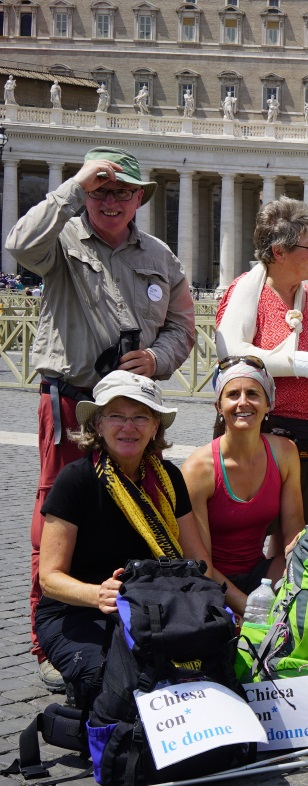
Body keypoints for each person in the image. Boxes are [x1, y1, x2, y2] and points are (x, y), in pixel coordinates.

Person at [7, 146, 195, 691]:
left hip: (135, 407)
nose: (111, 200)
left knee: (140, 506)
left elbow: (182, 327)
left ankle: (133, 612)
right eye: (100, 189)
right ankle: (51, 637)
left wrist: (157, 359)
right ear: (86, 192)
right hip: (73, 398)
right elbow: (18, 245)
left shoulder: (160, 255)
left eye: (122, 191)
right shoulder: (59, 241)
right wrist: (70, 187)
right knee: (55, 514)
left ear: (140, 197)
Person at [34, 371, 207, 698]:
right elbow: (50, 579)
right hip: (77, 612)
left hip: (152, 607)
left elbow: (197, 559)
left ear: (155, 426)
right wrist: (98, 594)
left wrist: (226, 605)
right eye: (116, 416)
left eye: (141, 416)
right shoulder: (76, 481)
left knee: (198, 669)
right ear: (98, 424)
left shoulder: (168, 478)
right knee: (117, 681)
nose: (129, 427)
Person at [216, 197, 308, 520]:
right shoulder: (247, 291)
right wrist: (303, 364)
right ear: (280, 252)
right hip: (265, 437)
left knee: (301, 534)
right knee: (255, 528)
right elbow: (231, 354)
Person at [182, 359, 304, 616]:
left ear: (268, 404)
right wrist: (250, 607)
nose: (243, 402)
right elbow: (200, 565)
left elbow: (294, 536)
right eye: (233, 394)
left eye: (252, 394)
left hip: (260, 574)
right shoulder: (198, 469)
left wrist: (287, 590)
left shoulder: (285, 452)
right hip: (210, 583)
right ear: (218, 406)